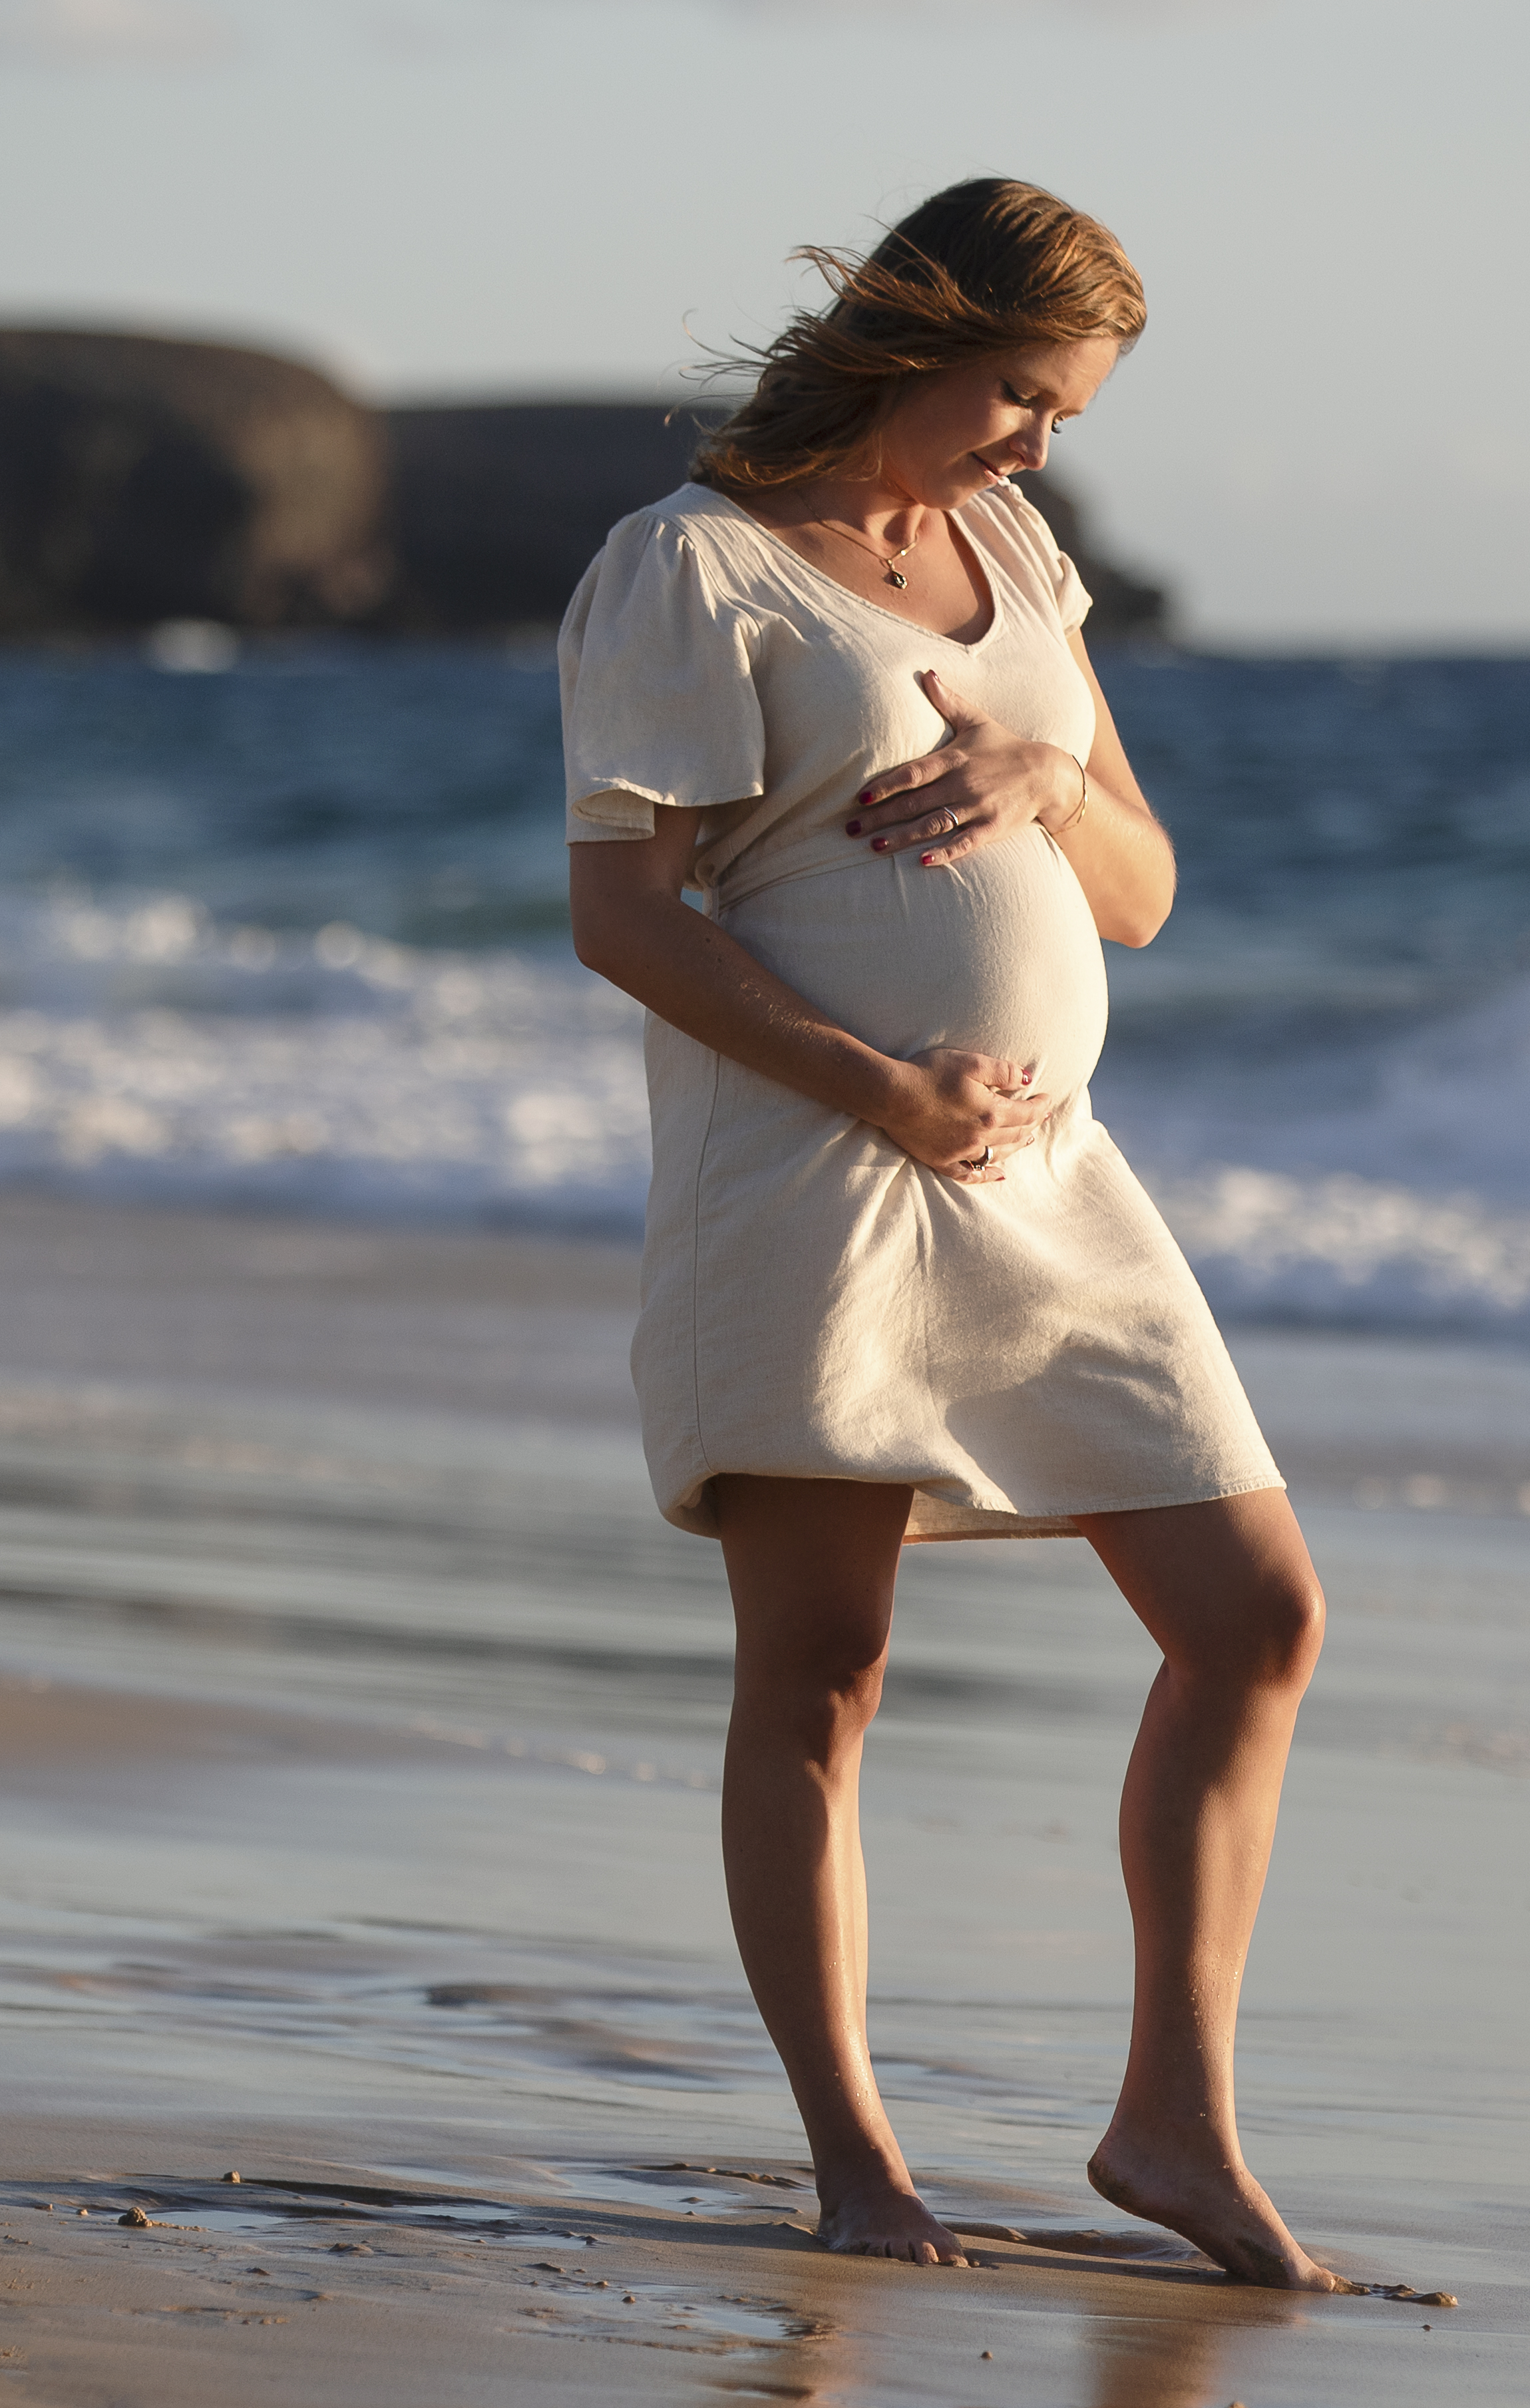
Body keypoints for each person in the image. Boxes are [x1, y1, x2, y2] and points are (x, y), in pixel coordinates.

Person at [558, 178, 1337, 2292]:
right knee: (821, 1675)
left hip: (1053, 1180)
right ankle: (858, 2163)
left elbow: (1145, 890)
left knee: (1257, 1616)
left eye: (1066, 413)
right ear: (919, 338)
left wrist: (1036, 778)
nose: (1038, 447)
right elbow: (622, 911)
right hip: (817, 1173)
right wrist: (888, 1088)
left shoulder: (1012, 559)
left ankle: (1173, 2125)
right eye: (1022, 395)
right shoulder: (691, 568)